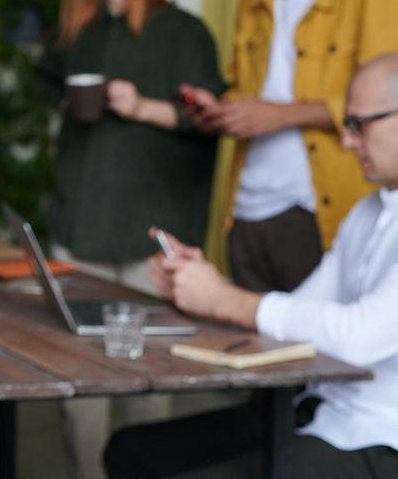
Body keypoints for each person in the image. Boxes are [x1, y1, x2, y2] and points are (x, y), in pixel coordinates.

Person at [105, 53, 398, 478]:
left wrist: (223, 300)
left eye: (358, 124)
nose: (347, 140)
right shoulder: (367, 212)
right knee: (131, 451)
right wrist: (204, 288)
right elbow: (296, 311)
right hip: (315, 414)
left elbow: (357, 338)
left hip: (377, 440)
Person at [40, 0, 226, 479]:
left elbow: (210, 120)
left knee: (148, 391)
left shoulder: (183, 32)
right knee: (80, 393)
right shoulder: (82, 32)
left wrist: (144, 107)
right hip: (81, 227)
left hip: (150, 232)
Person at [181, 0, 398, 292]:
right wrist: (221, 112)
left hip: (317, 211)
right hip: (245, 210)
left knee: (314, 351)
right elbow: (248, 89)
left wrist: (278, 116)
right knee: (245, 347)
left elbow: (386, 105)